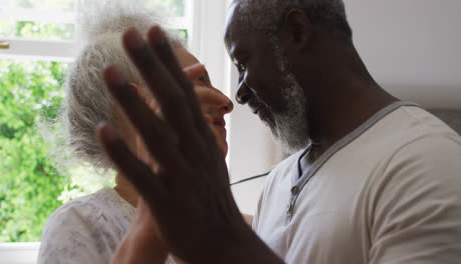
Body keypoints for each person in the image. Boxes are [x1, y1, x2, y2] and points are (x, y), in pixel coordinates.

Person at [99, 0, 461, 263]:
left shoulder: (428, 162)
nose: (238, 93)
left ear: (297, 31)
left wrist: (228, 243)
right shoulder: (278, 182)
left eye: (242, 63)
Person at [37, 5, 234, 264]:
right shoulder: (81, 225)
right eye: (196, 82)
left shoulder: (237, 228)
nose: (226, 101)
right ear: (133, 103)